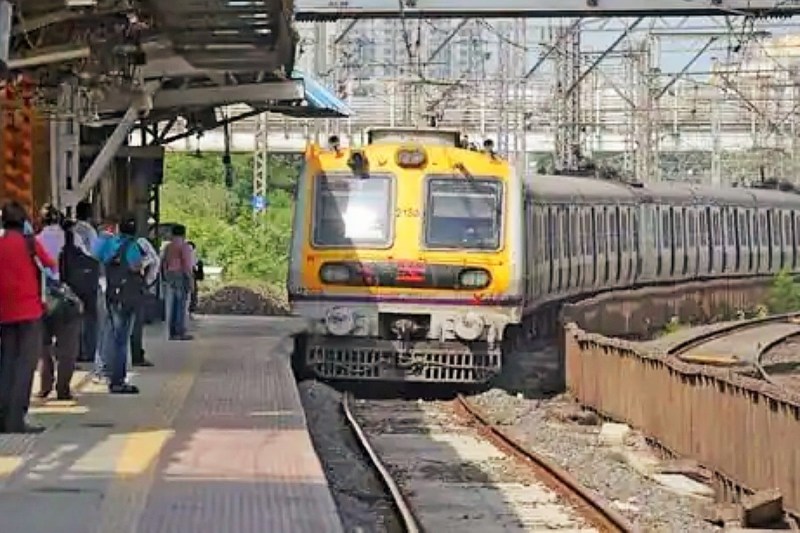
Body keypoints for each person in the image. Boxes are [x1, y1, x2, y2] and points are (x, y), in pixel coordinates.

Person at [0, 201, 57, 433]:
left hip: (4, 312)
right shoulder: (29, 243)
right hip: (29, 311)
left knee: (6, 364)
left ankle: (2, 417)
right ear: (23, 221)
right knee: (25, 366)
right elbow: (51, 265)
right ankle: (15, 420)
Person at [93, 215, 144, 394]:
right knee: (122, 340)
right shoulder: (132, 246)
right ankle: (118, 380)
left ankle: (105, 370)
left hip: (111, 294)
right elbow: (136, 266)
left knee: (111, 335)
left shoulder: (109, 243)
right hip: (127, 297)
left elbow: (96, 255)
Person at [37, 216, 83, 401]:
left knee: (43, 345)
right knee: (68, 347)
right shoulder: (74, 238)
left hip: (43, 298)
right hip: (69, 297)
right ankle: (63, 388)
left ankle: (45, 384)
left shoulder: (35, 241)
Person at [72, 200, 100, 362]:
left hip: (74, 278)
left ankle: (77, 350)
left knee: (76, 316)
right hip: (89, 277)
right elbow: (95, 253)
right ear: (89, 215)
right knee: (90, 315)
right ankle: (89, 351)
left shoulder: (72, 230)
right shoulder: (89, 231)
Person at [129, 235, 160, 367]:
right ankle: (136, 356)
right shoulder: (140, 242)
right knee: (136, 325)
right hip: (136, 288)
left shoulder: (109, 241)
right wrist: (147, 282)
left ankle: (110, 362)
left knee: (115, 329)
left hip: (112, 288)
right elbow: (155, 261)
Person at [160, 224, 193, 341]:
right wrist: (190, 280)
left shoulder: (168, 247)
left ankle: (172, 332)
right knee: (181, 304)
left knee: (172, 304)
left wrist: (165, 276)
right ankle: (180, 331)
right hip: (180, 275)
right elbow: (187, 265)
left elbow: (163, 263)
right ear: (184, 234)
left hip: (170, 275)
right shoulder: (184, 247)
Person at [187, 241, 203, 318]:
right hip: (186, 274)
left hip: (191, 274)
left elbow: (199, 273)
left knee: (193, 293)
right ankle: (190, 311)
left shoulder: (195, 258)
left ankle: (191, 311)